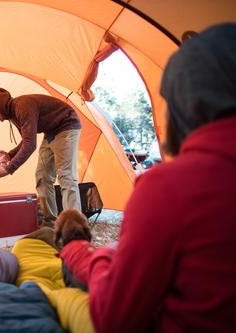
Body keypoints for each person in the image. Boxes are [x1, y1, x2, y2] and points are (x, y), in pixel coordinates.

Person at [62, 23, 236, 332]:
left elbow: (116, 318)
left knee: (84, 268)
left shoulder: (171, 188)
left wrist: (80, 252)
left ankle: (74, 245)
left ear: (184, 107)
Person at [0, 88, 82, 227]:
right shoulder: (12, 114)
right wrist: (10, 154)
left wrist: (8, 169)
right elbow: (26, 139)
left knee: (66, 176)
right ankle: (50, 224)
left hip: (66, 125)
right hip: (51, 131)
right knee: (42, 177)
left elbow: (30, 145)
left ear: (0, 104)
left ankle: (75, 227)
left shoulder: (22, 106)